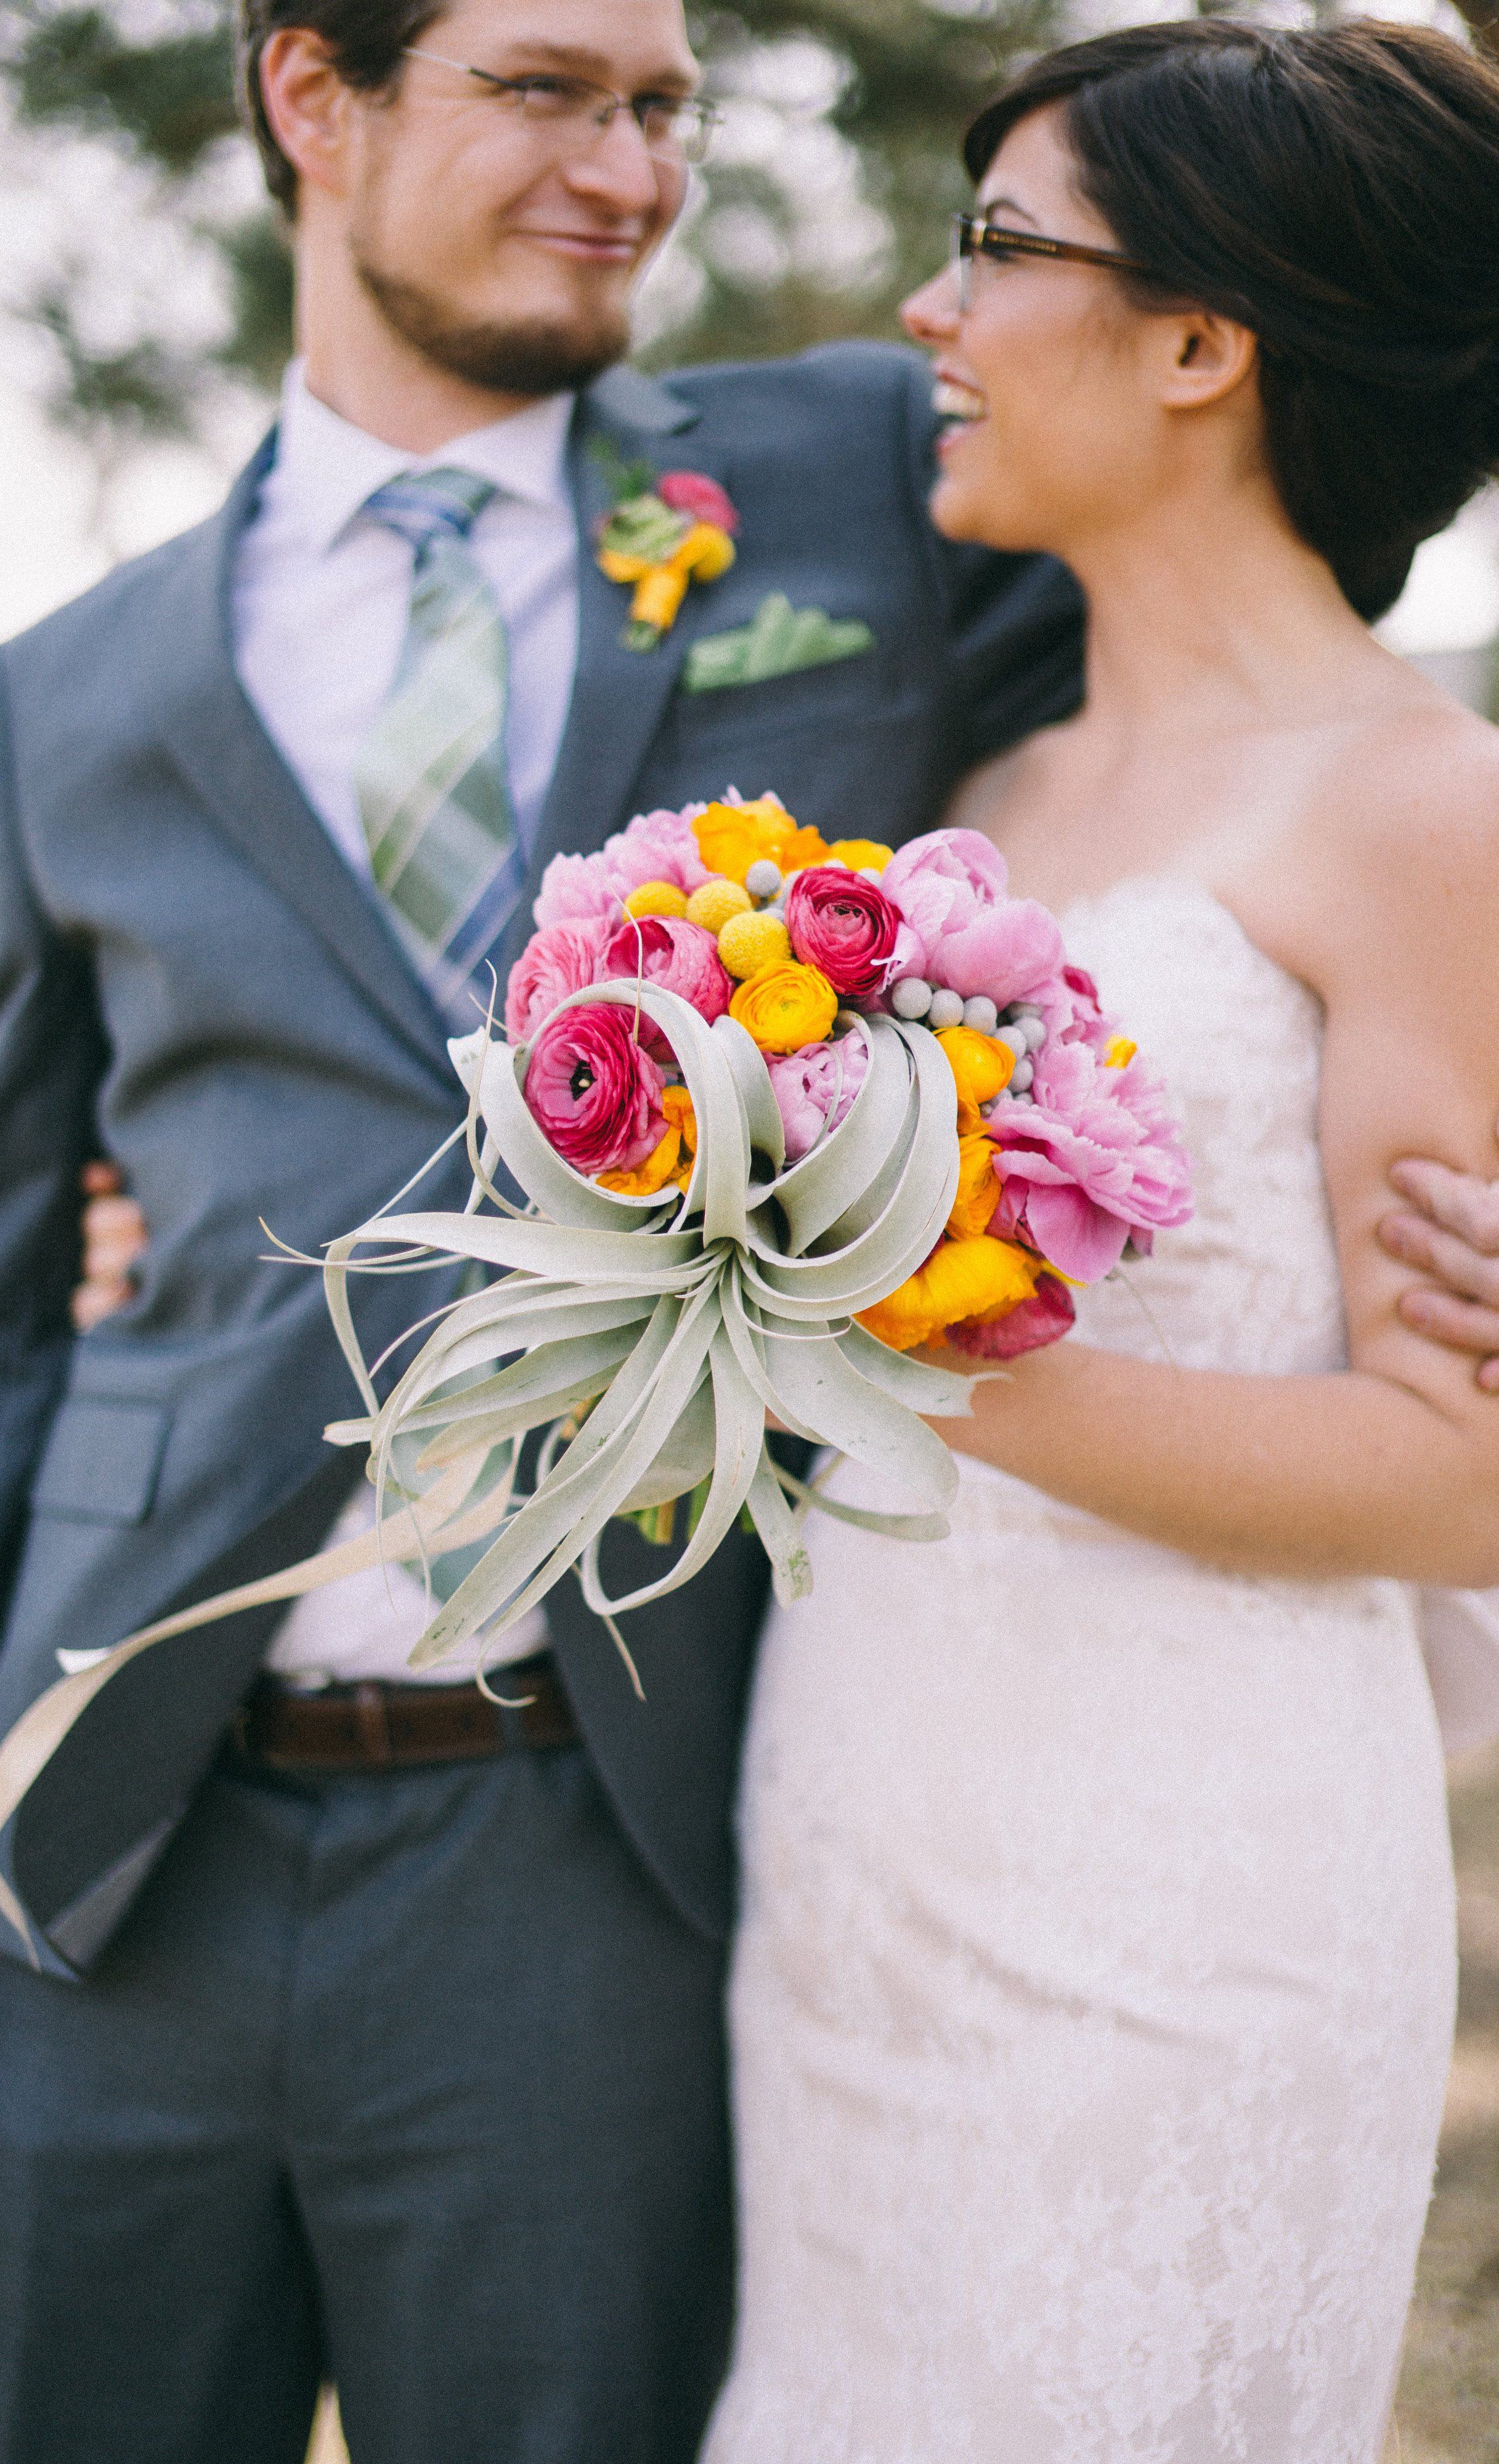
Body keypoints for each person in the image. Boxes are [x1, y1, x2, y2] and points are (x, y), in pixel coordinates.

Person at [0, 3, 1092, 2459]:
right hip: (111, 1831)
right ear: (315, 98)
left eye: (661, 106)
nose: (628, 170)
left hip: (598, 1827)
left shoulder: (853, 465)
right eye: (543, 90)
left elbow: (1245, 588)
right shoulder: (66, 694)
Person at [702, 21, 1499, 2464]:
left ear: (1198, 341)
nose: (925, 319)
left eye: (997, 250)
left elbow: (1459, 1478)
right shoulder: (964, 788)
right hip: (849, 1845)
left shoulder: (1423, 809)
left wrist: (878, 1335)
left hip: (1189, 1900)